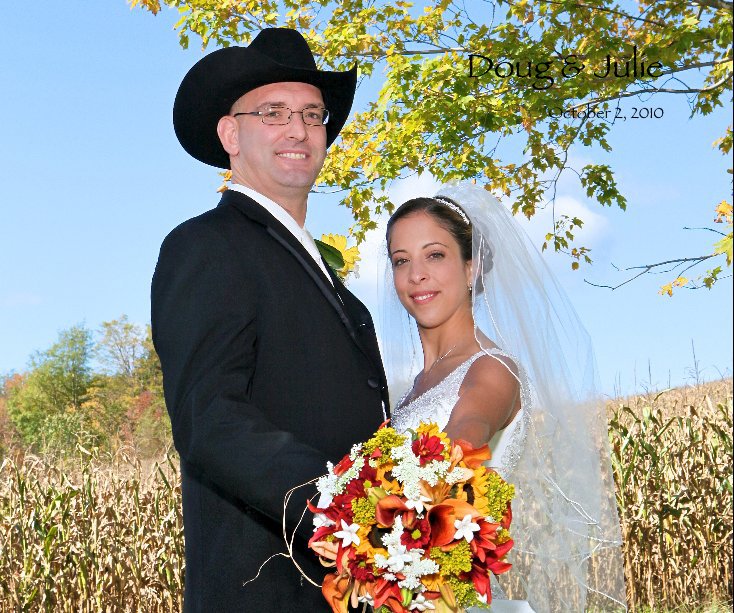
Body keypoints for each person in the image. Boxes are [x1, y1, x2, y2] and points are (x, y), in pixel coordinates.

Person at [151, 28, 389, 611]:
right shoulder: (206, 246)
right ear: (230, 133)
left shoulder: (341, 292)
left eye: (312, 114)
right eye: (273, 112)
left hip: (359, 590)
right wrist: (339, 504)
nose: (299, 129)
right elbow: (211, 417)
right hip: (270, 589)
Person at [382, 183, 627, 612]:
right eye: (401, 260)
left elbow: (463, 438)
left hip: (451, 596)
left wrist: (371, 516)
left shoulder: (492, 368)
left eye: (434, 255)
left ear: (471, 267)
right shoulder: (408, 392)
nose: (415, 273)